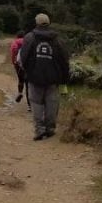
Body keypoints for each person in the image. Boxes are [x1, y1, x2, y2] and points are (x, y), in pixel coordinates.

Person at [19, 13, 70, 141]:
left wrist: (27, 71)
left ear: (36, 23)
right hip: (53, 78)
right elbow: (64, 60)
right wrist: (64, 78)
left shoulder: (29, 37)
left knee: (36, 103)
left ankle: (39, 129)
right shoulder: (57, 39)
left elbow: (23, 58)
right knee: (52, 103)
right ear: (49, 23)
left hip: (34, 77)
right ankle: (50, 129)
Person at [10, 31, 30, 110]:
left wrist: (14, 63)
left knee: (20, 80)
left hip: (18, 64)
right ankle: (29, 105)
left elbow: (13, 53)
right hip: (26, 65)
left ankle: (20, 93)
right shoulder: (27, 42)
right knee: (28, 83)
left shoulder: (15, 42)